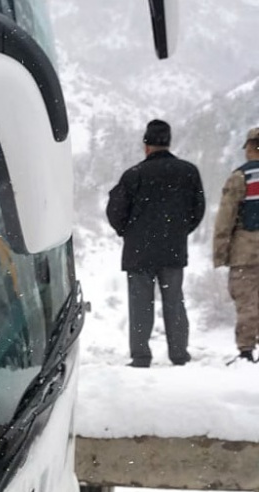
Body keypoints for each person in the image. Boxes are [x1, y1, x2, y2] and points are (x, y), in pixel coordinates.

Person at [106, 119, 205, 367]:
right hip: (173, 247)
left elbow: (115, 211)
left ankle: (141, 355)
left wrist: (127, 232)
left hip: (139, 250)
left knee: (140, 304)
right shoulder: (188, 172)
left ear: (146, 145)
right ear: (169, 142)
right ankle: (179, 354)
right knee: (174, 300)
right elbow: (198, 209)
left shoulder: (133, 175)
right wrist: (180, 230)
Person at [212, 126, 259, 362]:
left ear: (250, 148)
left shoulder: (240, 177)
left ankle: (246, 351)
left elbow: (226, 218)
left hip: (246, 252)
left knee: (247, 302)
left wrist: (220, 253)